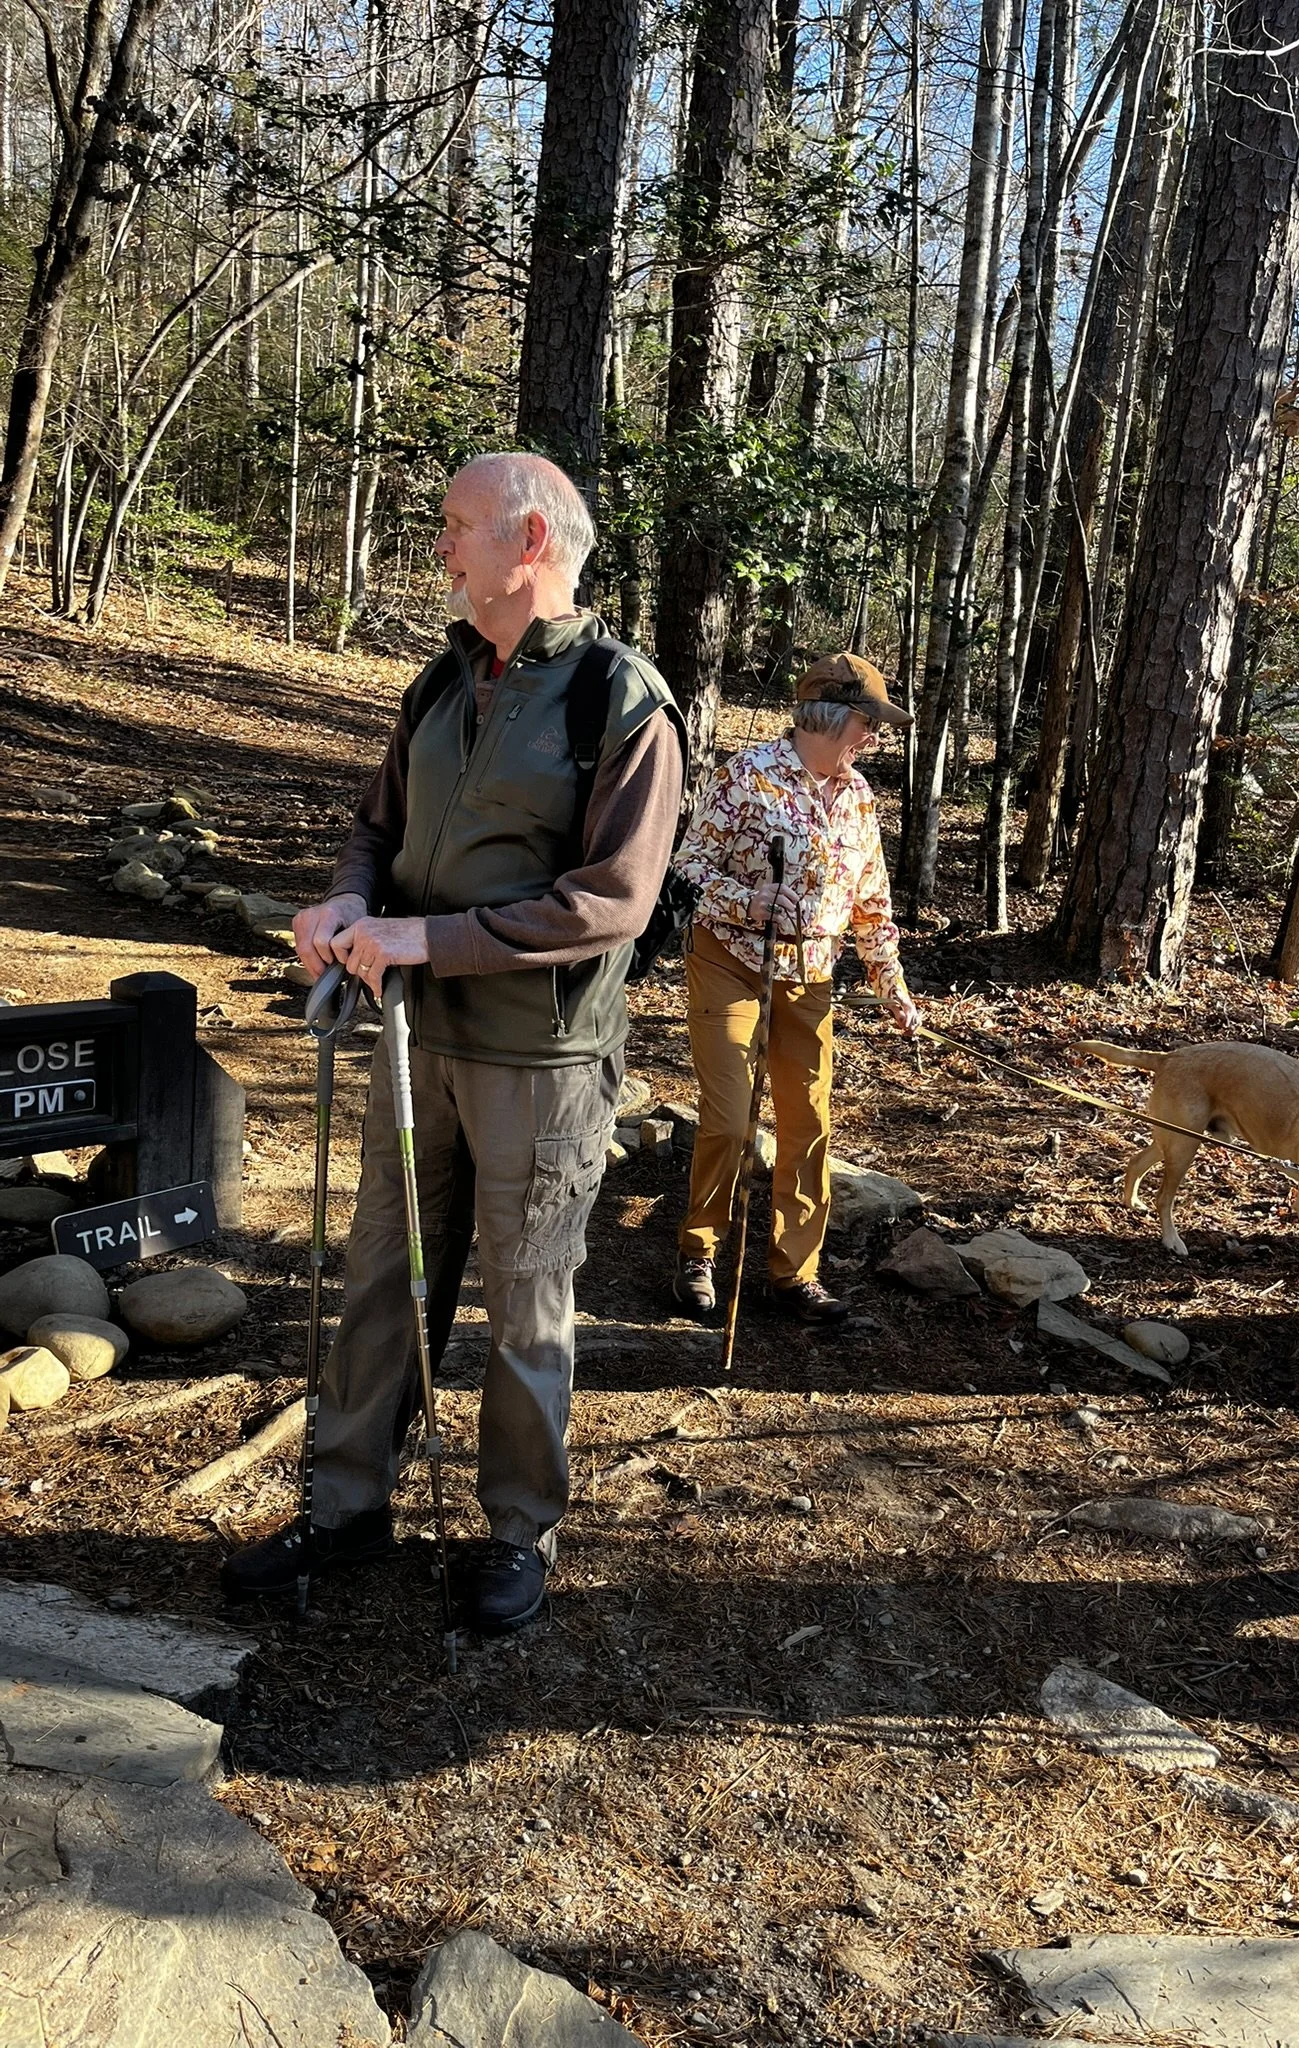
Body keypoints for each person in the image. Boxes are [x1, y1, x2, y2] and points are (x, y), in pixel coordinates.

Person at [221, 452, 685, 1632]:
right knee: (383, 1269)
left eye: (456, 527)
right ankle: (345, 1503)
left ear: (529, 543)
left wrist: (430, 937)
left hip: (543, 1060)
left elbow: (612, 903)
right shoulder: (438, 682)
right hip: (411, 1039)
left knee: (528, 1300)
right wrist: (342, 904)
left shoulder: (620, 700)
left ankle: (517, 1534)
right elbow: (375, 829)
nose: (441, 547)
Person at [671, 652, 919, 1324]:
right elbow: (687, 870)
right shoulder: (747, 777)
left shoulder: (859, 797)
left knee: (807, 1122)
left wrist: (890, 984)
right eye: (868, 723)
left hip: (809, 977)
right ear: (831, 716)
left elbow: (871, 902)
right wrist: (747, 903)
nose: (874, 737)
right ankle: (698, 1252)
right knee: (727, 1116)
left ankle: (794, 1274)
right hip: (731, 960)